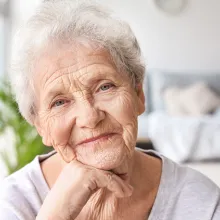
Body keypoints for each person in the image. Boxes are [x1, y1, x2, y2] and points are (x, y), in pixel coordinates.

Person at [0, 0, 220, 219]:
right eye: (59, 102)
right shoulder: (12, 203)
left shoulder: (202, 201)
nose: (90, 117)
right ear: (40, 126)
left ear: (139, 95)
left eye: (105, 87)